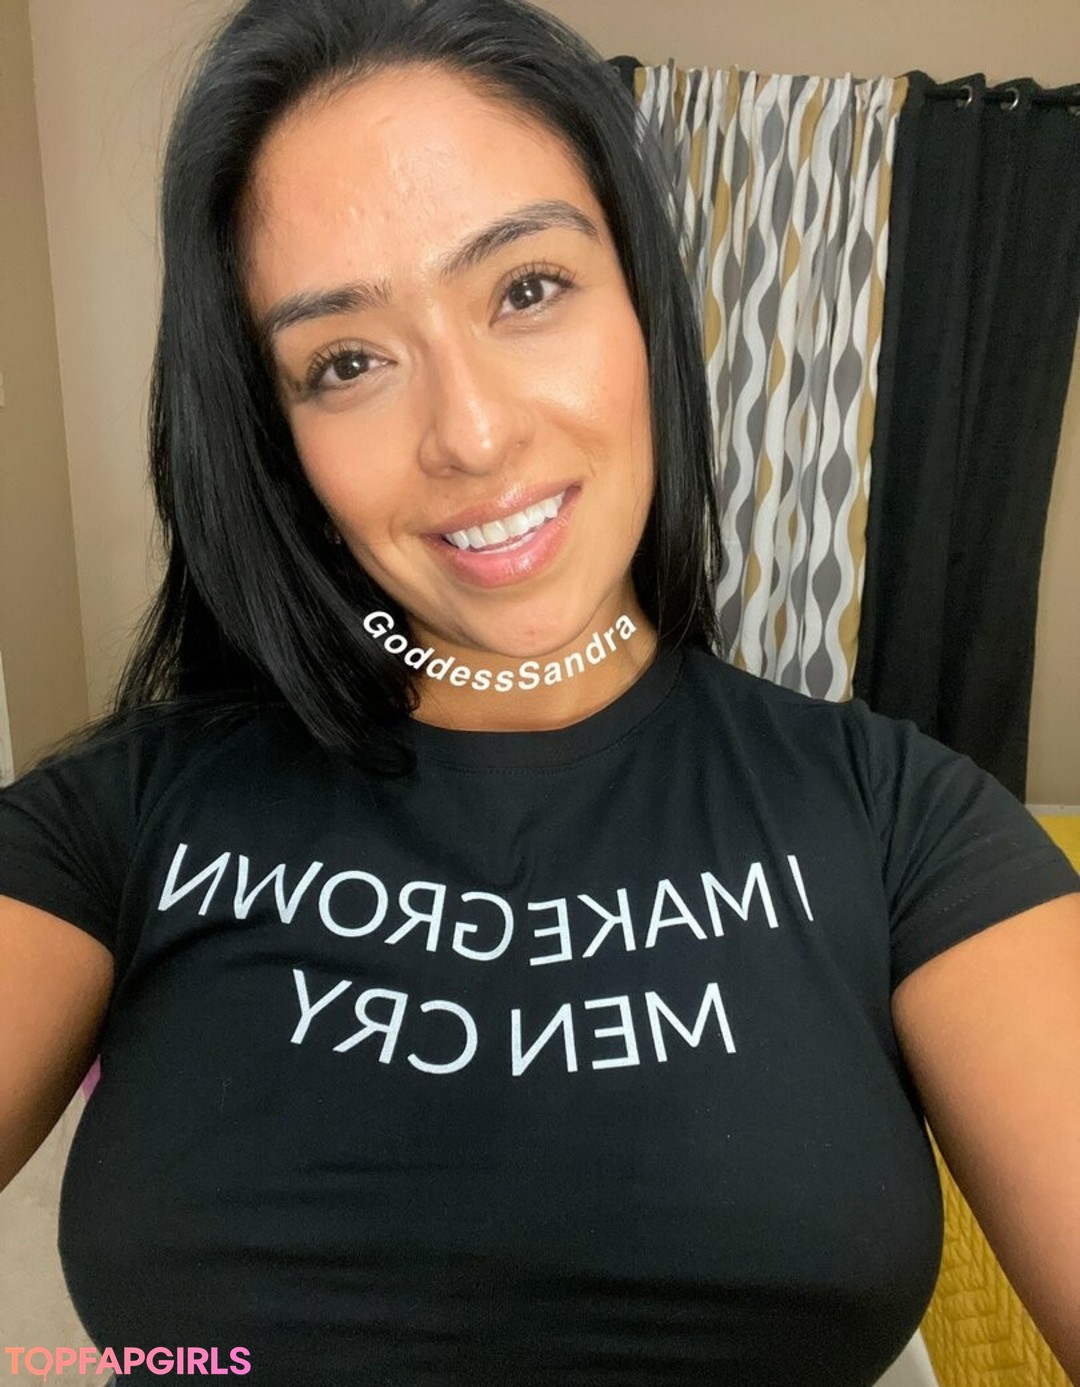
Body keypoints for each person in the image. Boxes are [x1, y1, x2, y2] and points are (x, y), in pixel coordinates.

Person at [1, 0, 1078, 1382]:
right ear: (279, 446)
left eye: (527, 289)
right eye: (347, 361)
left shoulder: (906, 824)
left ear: (643, 307)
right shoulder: (117, 821)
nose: (471, 433)